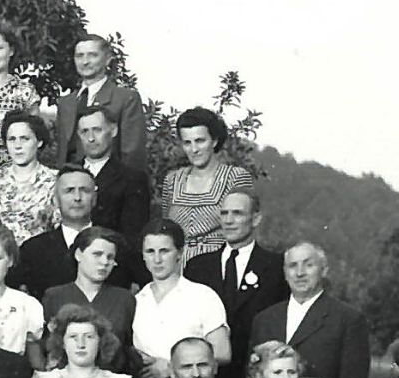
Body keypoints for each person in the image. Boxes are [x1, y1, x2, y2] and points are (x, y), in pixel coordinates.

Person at [248, 242, 373, 378]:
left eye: (308, 265)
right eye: (292, 266)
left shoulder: (347, 319)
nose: (300, 273)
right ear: (285, 272)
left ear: (324, 270)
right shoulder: (264, 319)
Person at [183, 188, 285, 378]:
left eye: (237, 213)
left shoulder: (276, 268)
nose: (228, 221)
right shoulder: (197, 267)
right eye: (224, 213)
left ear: (256, 219)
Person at [131, 219, 231, 378]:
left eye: (165, 251)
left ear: (179, 252)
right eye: (150, 252)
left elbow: (222, 352)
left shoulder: (202, 295)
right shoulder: (136, 301)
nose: (157, 259)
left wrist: (170, 367)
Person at [155, 107, 257, 260]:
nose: (194, 149)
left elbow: (243, 231)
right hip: (177, 267)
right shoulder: (172, 180)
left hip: (218, 265)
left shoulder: (235, 177)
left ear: (214, 141)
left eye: (200, 141)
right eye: (187, 143)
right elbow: (166, 231)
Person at [14, 168, 121, 298]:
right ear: (56, 200)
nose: (77, 198)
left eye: (84, 190)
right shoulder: (32, 250)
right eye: (69, 191)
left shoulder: (116, 245)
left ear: (95, 199)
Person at [41, 226, 138, 366]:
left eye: (110, 257)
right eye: (97, 254)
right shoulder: (54, 296)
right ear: (78, 255)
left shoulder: (124, 299)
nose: (105, 262)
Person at [51, 34, 149, 172]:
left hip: (112, 184)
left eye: (92, 55)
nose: (85, 62)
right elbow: (62, 155)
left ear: (107, 60)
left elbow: (132, 155)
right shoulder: (66, 103)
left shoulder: (126, 99)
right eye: (79, 56)